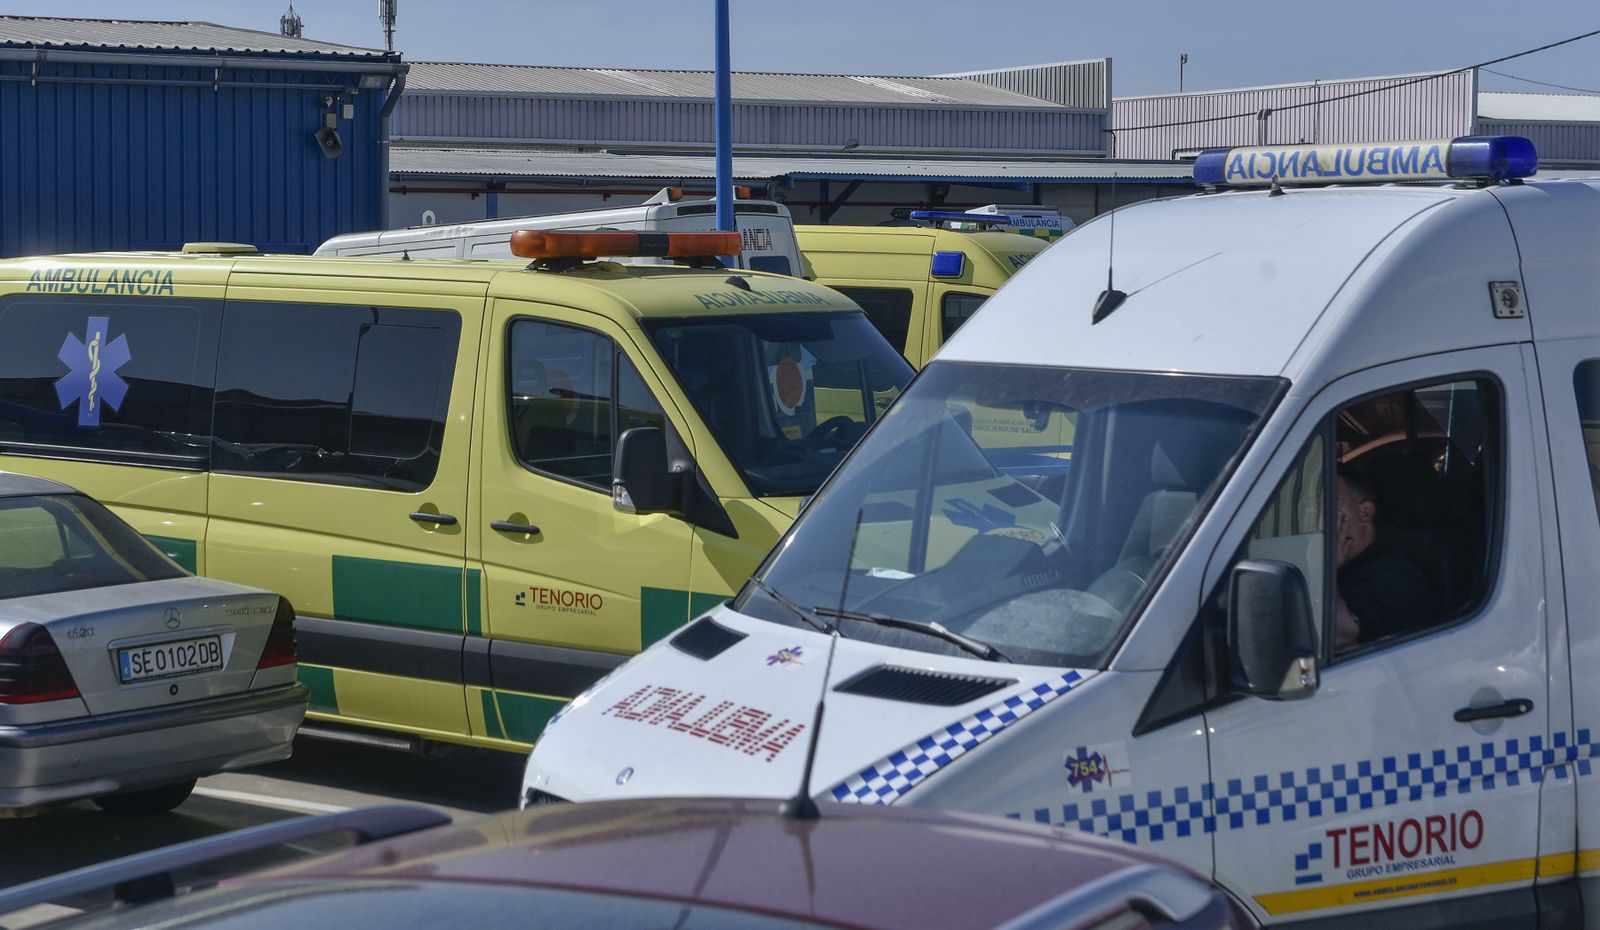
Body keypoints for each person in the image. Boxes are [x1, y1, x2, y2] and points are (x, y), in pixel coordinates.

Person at [1332, 466, 1436, 649]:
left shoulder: (1395, 576)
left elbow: (1338, 636)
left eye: (1330, 503)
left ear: (1364, 513)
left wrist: (1326, 571)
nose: (1317, 513)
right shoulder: (1345, 565)